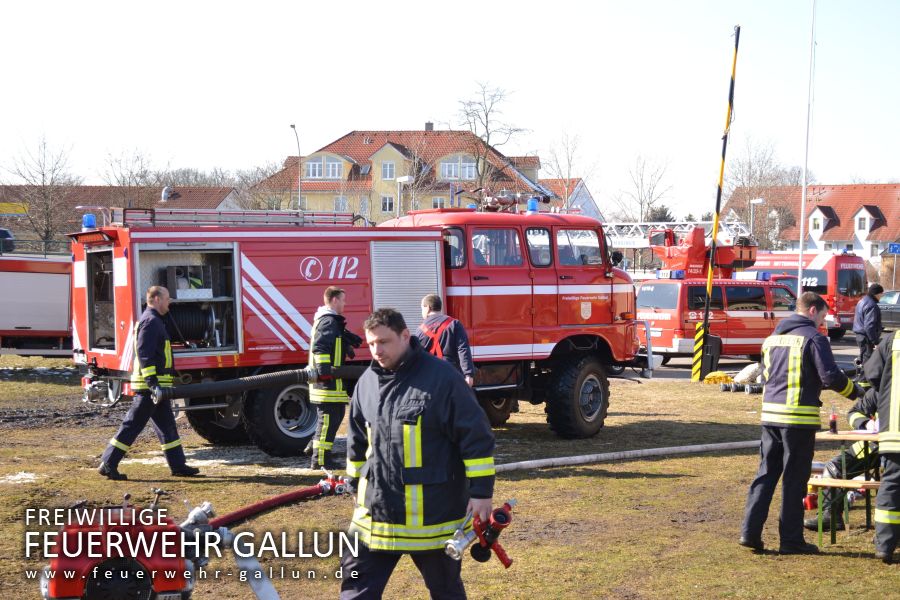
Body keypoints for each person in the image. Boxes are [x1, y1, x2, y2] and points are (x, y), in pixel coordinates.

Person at [340, 308, 495, 599]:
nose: (377, 350)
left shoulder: (442, 379)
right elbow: (357, 442)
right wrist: (353, 483)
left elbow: (476, 438)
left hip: (431, 520)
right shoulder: (366, 384)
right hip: (374, 519)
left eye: (384, 342)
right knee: (355, 589)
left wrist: (482, 493)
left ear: (405, 336)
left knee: (446, 591)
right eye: (371, 344)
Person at [740, 292, 862, 554]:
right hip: (798, 420)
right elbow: (830, 377)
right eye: (822, 316)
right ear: (812, 311)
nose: (822, 323)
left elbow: (767, 373)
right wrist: (858, 394)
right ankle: (791, 540)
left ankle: (749, 533)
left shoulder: (772, 339)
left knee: (766, 474)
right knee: (795, 480)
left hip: (770, 416)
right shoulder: (814, 338)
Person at [98, 286, 199, 480]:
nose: (170, 302)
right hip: (150, 388)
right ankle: (108, 463)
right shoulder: (151, 322)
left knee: (167, 427)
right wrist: (153, 384)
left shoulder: (154, 320)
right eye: (167, 299)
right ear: (157, 299)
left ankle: (178, 465)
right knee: (132, 425)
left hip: (157, 387)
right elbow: (145, 355)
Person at [307, 286, 361, 470]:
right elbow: (320, 348)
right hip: (326, 383)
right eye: (343, 300)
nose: (345, 304)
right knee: (328, 421)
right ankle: (320, 460)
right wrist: (324, 373)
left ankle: (314, 449)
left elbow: (331, 344)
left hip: (332, 383)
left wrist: (346, 343)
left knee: (334, 417)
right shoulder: (328, 322)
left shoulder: (330, 322)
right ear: (335, 300)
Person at [859, 329, 900, 563]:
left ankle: (884, 546)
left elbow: (872, 374)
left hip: (893, 428)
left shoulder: (892, 340)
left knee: (891, 487)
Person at [415, 294, 476, 387]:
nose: (422, 312)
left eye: (422, 308)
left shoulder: (420, 330)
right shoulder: (454, 324)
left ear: (427, 307)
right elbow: (463, 349)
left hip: (429, 376)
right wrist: (468, 375)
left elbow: (416, 355)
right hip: (451, 373)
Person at [853, 283, 884, 371]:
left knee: (864, 358)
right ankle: (864, 381)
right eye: (881, 294)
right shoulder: (872, 305)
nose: (882, 296)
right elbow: (869, 326)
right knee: (867, 361)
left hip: (860, 335)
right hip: (866, 337)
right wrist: (875, 342)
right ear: (877, 294)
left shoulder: (862, 301)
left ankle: (862, 379)